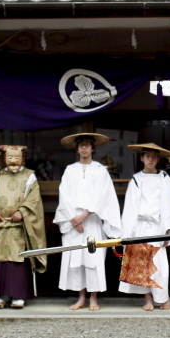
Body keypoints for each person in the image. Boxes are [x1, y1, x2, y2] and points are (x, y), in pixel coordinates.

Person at [54, 133, 121, 311]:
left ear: (92, 148)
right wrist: (74, 220)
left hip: (92, 221)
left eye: (87, 145)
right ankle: (81, 297)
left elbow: (103, 196)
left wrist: (84, 215)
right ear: (77, 149)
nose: (84, 148)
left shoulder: (100, 170)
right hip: (73, 222)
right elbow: (64, 195)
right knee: (76, 259)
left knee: (93, 257)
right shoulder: (70, 170)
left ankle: (93, 298)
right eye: (81, 145)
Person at [118, 143, 170, 311]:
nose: (150, 159)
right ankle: (147, 299)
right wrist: (128, 233)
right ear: (142, 158)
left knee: (159, 265)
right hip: (140, 226)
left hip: (158, 226)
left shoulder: (164, 178)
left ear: (158, 159)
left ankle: (164, 298)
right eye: (147, 156)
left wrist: (168, 228)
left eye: (154, 157)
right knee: (142, 264)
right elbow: (130, 207)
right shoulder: (136, 179)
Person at [0, 146, 47, 308]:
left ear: (23, 159)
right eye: (10, 158)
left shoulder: (29, 177)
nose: (13, 161)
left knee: (17, 261)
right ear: (4, 159)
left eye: (17, 158)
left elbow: (33, 199)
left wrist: (22, 211)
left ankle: (17, 296)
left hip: (19, 227)